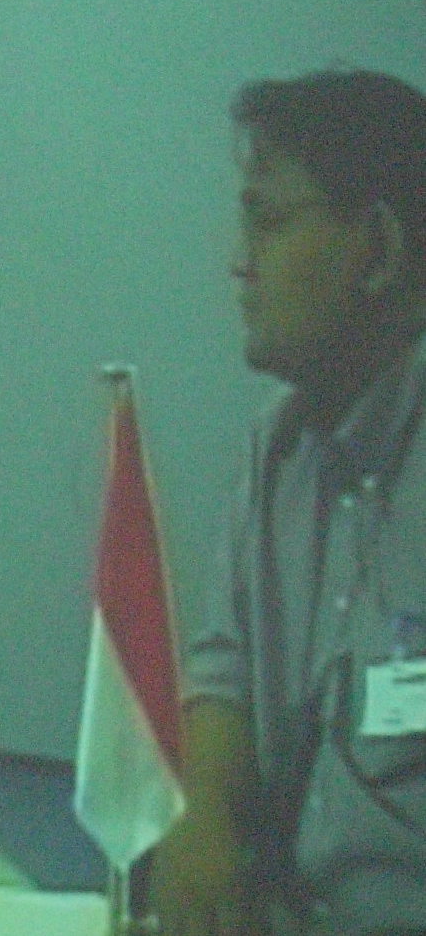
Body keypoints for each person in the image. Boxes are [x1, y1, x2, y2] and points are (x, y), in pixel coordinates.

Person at [155, 70, 426, 935]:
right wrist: (203, 815)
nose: (240, 262)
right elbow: (225, 671)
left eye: (267, 222)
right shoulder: (275, 449)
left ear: (378, 250)